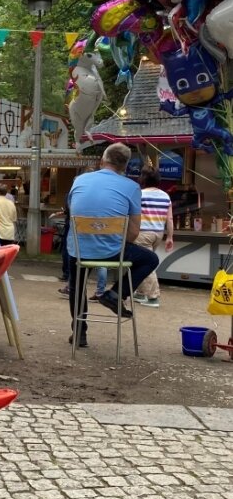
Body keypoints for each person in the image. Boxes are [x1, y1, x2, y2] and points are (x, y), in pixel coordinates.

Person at [66, 143, 159, 348]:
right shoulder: (132, 187)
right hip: (113, 251)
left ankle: (80, 333)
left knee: (76, 286)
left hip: (79, 250)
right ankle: (116, 294)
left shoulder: (79, 180)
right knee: (150, 258)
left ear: (102, 160)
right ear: (125, 166)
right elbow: (134, 234)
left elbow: (73, 212)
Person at [132, 166, 173, 307]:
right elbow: (170, 219)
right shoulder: (165, 196)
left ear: (143, 178)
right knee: (143, 262)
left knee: (146, 264)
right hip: (158, 234)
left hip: (143, 233)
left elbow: (133, 214)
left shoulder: (140, 194)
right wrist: (170, 237)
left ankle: (153, 297)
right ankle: (140, 293)